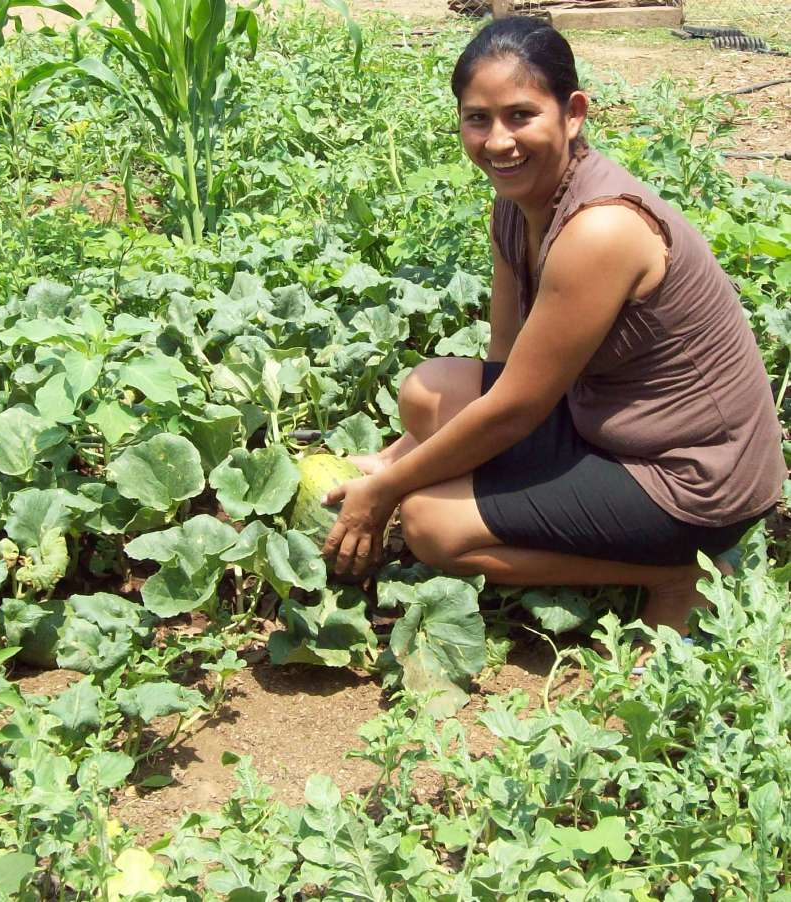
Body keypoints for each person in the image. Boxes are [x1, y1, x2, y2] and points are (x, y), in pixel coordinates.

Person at [320, 16, 785, 637]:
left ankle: (679, 575)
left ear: (573, 114)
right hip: (609, 430)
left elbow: (516, 409)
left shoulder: (600, 230)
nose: (498, 141)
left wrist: (386, 492)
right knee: (430, 390)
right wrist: (393, 460)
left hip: (694, 482)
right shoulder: (516, 208)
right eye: (478, 118)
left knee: (431, 525)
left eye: (521, 115)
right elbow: (505, 365)